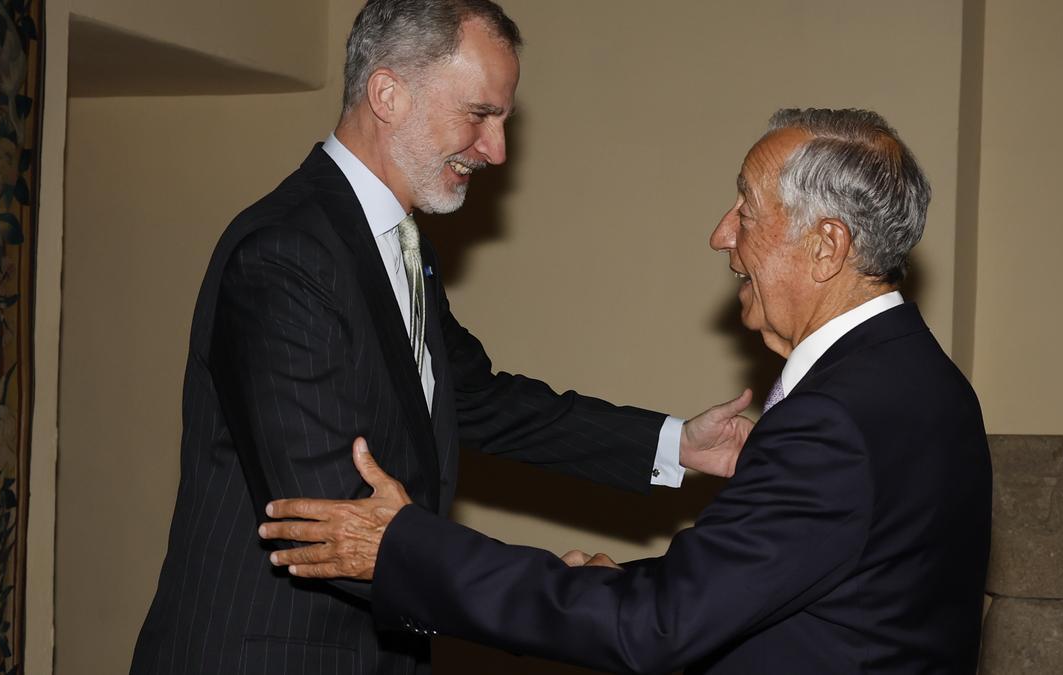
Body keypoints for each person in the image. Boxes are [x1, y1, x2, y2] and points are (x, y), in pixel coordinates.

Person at [129, 1, 751, 673]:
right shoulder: (286, 255)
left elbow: (480, 402)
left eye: (503, 119)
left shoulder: (400, 245)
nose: (498, 150)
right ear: (388, 94)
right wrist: (559, 595)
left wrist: (675, 444)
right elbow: (336, 521)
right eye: (480, 115)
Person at [260, 108, 993, 674]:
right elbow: (797, 588)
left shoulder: (831, 419)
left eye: (745, 207)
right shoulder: (931, 384)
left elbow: (659, 628)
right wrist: (628, 587)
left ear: (827, 246)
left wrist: (405, 548)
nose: (720, 234)